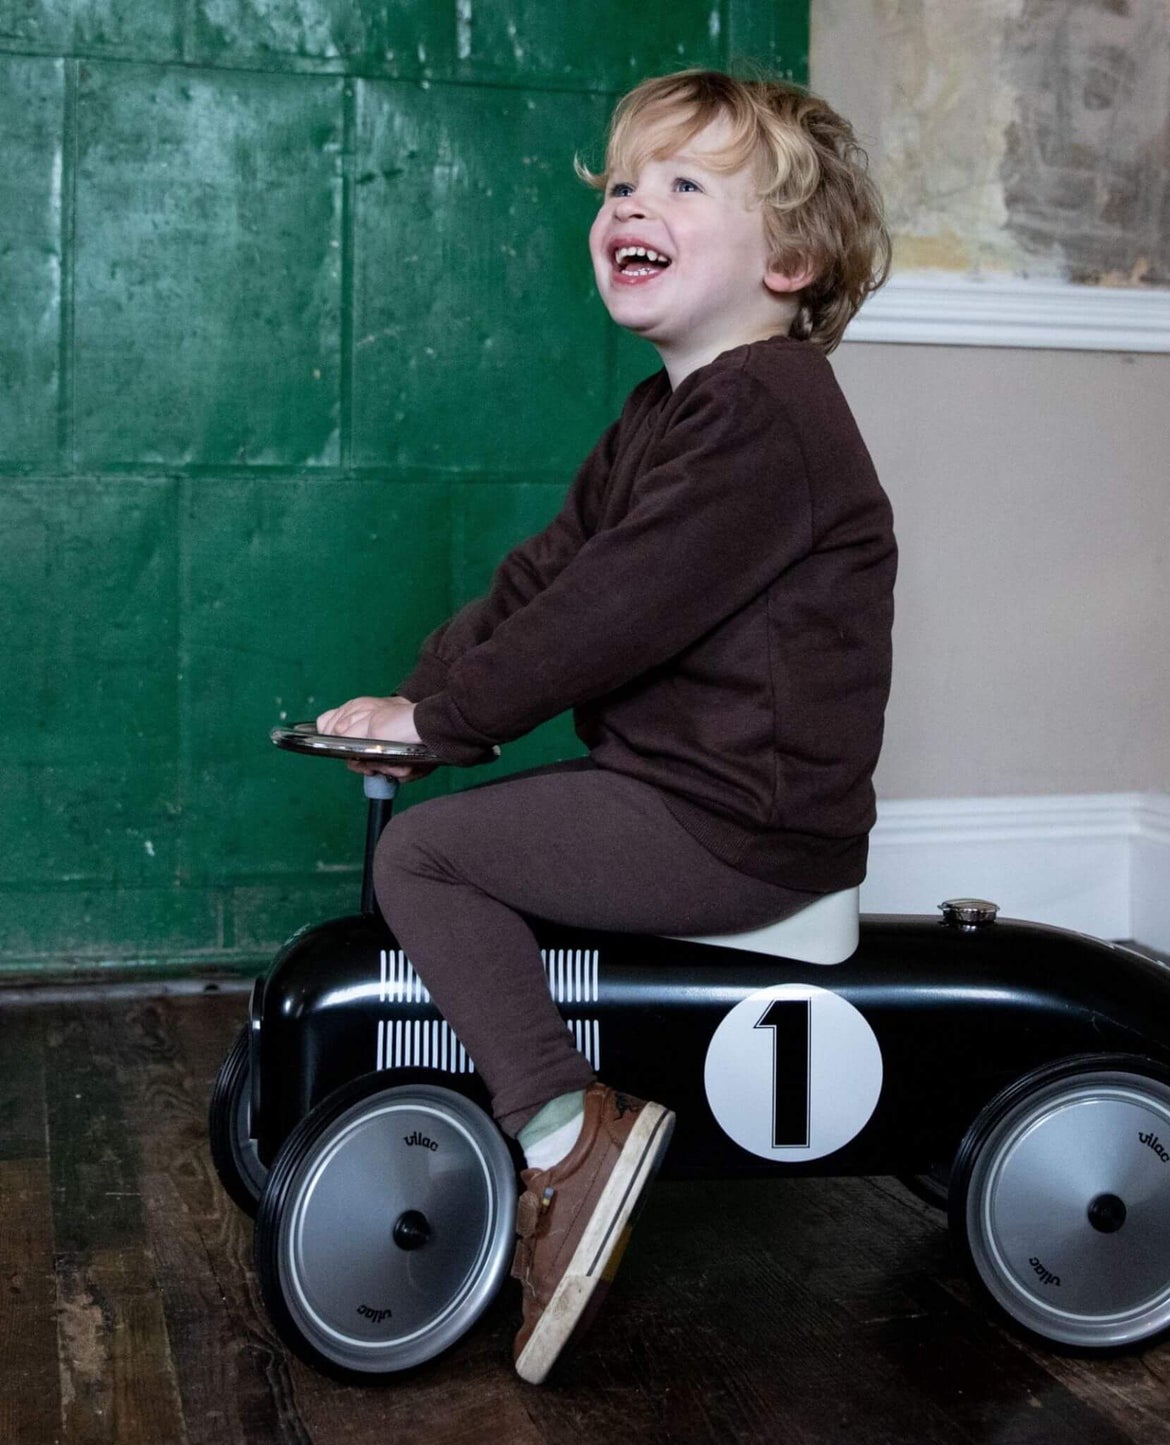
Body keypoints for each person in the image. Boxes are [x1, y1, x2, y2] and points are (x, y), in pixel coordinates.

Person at [316, 67, 895, 1385]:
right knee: (461, 822)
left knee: (430, 855)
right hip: (690, 796)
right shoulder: (666, 415)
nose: (634, 202)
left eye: (686, 184)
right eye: (625, 182)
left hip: (739, 823)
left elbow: (607, 618)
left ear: (791, 258)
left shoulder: (767, 416)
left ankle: (564, 1136)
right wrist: (413, 696)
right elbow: (550, 576)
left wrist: (447, 727)